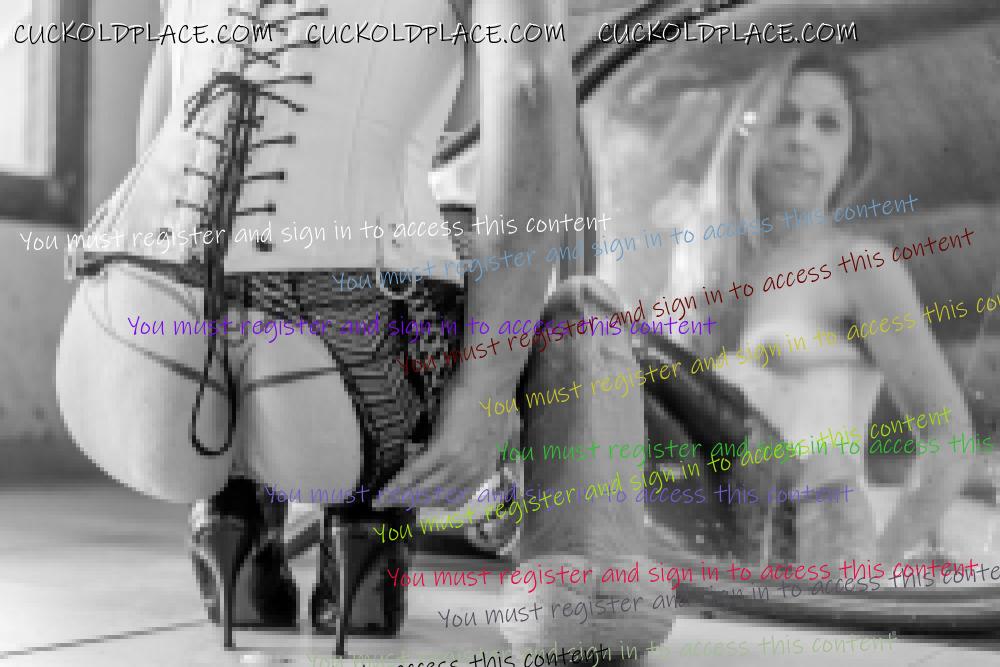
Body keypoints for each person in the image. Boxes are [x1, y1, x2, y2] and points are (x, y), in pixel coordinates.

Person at [55, 0, 671, 658]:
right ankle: (366, 527)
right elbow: (528, 87)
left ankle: (232, 516)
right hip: (343, 358)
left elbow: (168, 97)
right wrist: (486, 390)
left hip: (129, 342)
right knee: (497, 265)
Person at [659, 50, 978, 565]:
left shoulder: (859, 267)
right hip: (708, 563)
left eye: (827, 124)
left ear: (848, 156)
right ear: (747, 132)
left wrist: (874, 563)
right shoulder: (698, 273)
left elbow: (949, 437)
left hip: (819, 559)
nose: (802, 139)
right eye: (784, 116)